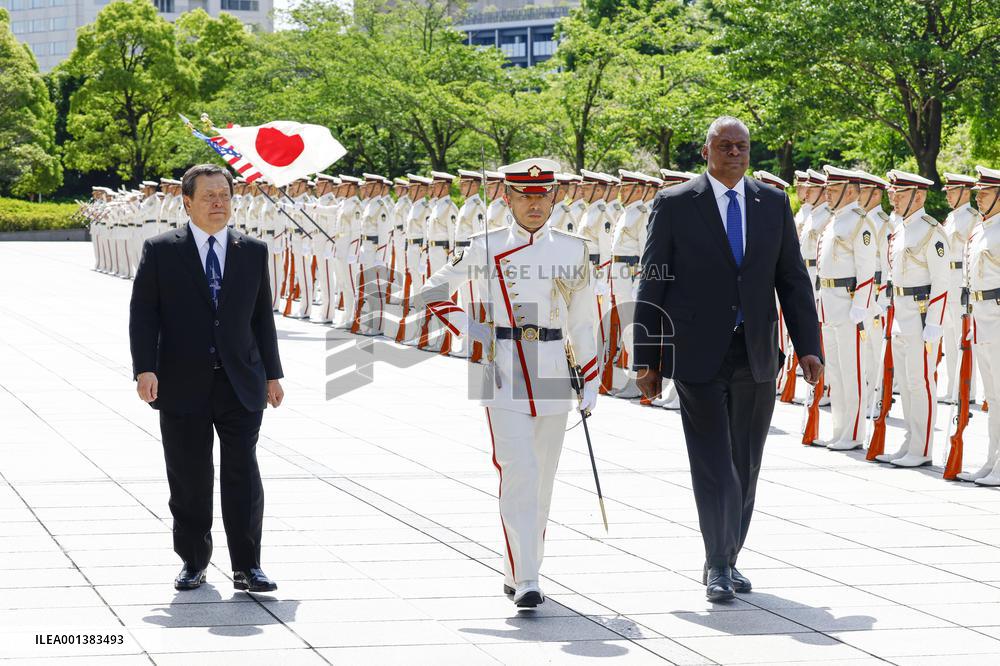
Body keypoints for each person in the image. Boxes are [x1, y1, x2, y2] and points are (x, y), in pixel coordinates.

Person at [634, 117, 823, 601]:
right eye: (725, 145)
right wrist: (646, 359)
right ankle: (717, 563)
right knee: (714, 464)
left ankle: (729, 555)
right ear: (706, 151)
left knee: (746, 464)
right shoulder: (675, 204)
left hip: (756, 352)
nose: (735, 153)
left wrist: (809, 348)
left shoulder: (773, 203)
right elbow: (651, 282)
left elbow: (793, 280)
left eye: (742, 146)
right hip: (697, 356)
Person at [412, 158, 599, 608]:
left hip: (553, 364)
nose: (534, 205)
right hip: (501, 366)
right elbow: (430, 293)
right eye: (524, 196)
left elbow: (584, 318)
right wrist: (474, 329)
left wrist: (589, 378)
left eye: (542, 196)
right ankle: (529, 579)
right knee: (520, 473)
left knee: (544, 480)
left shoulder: (572, 249)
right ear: (507, 198)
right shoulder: (484, 245)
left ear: (554, 197)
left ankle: (517, 569)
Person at [129, 164, 285, 593]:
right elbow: (144, 314)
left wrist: (273, 373)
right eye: (209, 196)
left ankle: (248, 566)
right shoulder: (161, 250)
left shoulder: (252, 250)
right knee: (190, 478)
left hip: (241, 381)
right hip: (181, 382)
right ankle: (193, 562)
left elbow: (261, 318)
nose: (219, 203)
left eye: (225, 195)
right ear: (187, 202)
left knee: (243, 475)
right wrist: (145, 368)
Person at [873, 170, 949, 468]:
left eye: (900, 194)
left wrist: (934, 323)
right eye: (893, 192)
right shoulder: (902, 228)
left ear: (919, 196)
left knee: (920, 381)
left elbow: (942, 281)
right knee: (904, 382)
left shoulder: (931, 231)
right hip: (900, 310)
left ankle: (923, 446)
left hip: (920, 313)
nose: (894, 197)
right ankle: (910, 440)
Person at [960, 166, 1000, 484]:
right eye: (977, 192)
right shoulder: (980, 229)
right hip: (981, 315)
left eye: (984, 192)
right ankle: (992, 458)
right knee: (992, 395)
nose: (978, 197)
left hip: (998, 314)